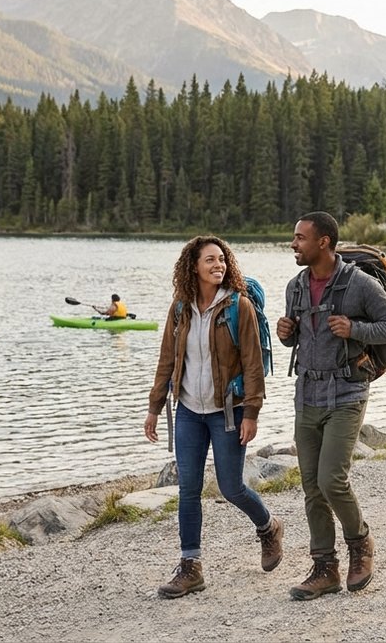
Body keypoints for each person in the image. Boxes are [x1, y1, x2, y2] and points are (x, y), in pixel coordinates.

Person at [275, 211, 386, 600]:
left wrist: (356, 329)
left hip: (348, 392)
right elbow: (300, 339)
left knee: (332, 479)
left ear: (324, 243)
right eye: (294, 237)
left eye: (300, 238)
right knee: (312, 487)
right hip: (307, 395)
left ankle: (360, 544)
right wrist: (287, 334)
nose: (294, 244)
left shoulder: (360, 284)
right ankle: (325, 568)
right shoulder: (296, 286)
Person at [143, 236, 283, 599]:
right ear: (193, 266)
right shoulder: (180, 308)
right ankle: (191, 566)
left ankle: (268, 528)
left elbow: (253, 365)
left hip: (228, 411)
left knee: (231, 487)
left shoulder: (239, 307)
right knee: (188, 489)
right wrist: (154, 407)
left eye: (222, 259)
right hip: (188, 410)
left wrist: (251, 412)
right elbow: (167, 361)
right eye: (210, 260)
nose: (218, 265)